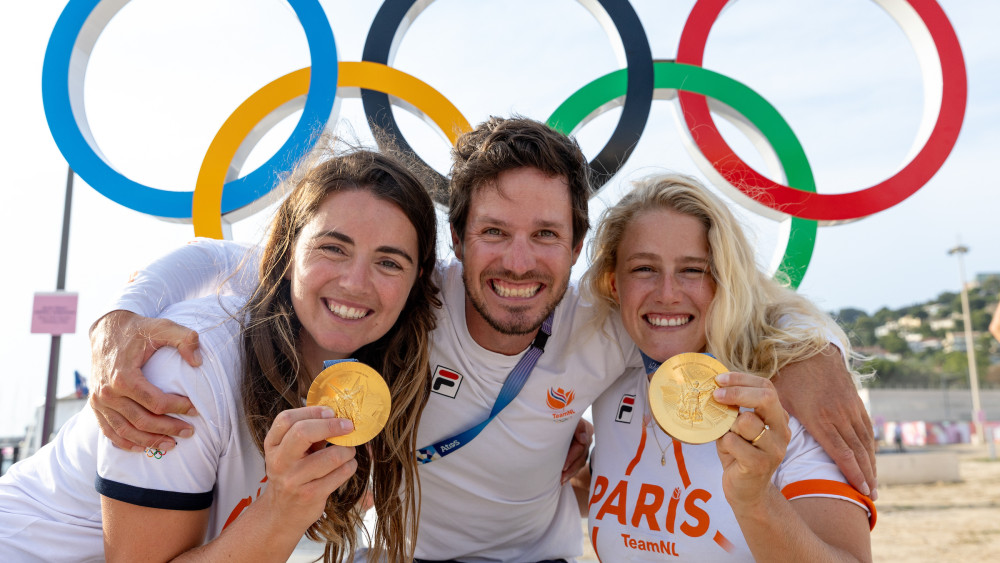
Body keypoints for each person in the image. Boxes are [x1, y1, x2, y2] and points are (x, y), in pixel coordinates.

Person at [87, 117, 876, 561]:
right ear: (456, 241)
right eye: (494, 232)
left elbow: (724, 302)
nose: (520, 262)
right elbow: (233, 262)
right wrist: (121, 313)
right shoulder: (398, 297)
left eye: (546, 235)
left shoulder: (603, 321)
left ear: (576, 250)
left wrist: (816, 349)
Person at [0, 146, 440, 562]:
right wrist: (281, 510)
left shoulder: (373, 373)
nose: (355, 283)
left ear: (417, 280)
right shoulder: (189, 363)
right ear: (287, 253)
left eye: (389, 262)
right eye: (333, 248)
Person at [578, 174, 874, 561]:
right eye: (643, 269)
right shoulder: (611, 376)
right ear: (613, 283)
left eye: (693, 270)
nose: (667, 294)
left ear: (723, 281)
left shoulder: (786, 405)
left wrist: (756, 500)